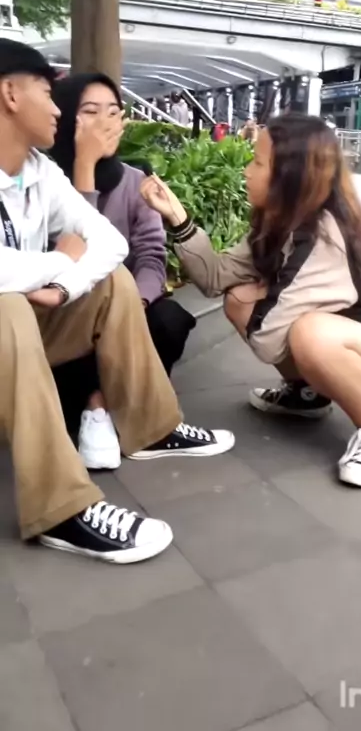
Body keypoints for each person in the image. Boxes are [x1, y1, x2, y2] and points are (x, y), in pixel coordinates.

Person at [0, 39, 234, 565]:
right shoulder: (59, 167)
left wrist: (64, 286)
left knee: (114, 283)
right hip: (10, 332)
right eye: (49, 93)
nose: (56, 109)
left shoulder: (40, 172)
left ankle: (151, 427)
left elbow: (111, 244)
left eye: (113, 111)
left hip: (30, 335)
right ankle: (60, 510)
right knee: (9, 305)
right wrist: (57, 263)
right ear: (10, 94)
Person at [140, 113, 361, 489]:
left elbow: (268, 339)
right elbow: (216, 278)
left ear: (290, 176)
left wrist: (264, 293)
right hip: (358, 340)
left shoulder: (325, 235)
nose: (246, 171)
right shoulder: (278, 222)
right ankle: (306, 394)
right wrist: (177, 217)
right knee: (241, 299)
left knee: (310, 332)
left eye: (257, 162)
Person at [48, 73, 212, 471]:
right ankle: (96, 407)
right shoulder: (47, 181)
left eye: (113, 112)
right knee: (102, 294)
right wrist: (84, 166)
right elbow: (74, 256)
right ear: (66, 117)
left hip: (127, 307)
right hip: (66, 313)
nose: (105, 123)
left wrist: (133, 305)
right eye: (90, 112)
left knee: (169, 319)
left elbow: (152, 256)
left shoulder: (136, 182)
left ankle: (103, 408)